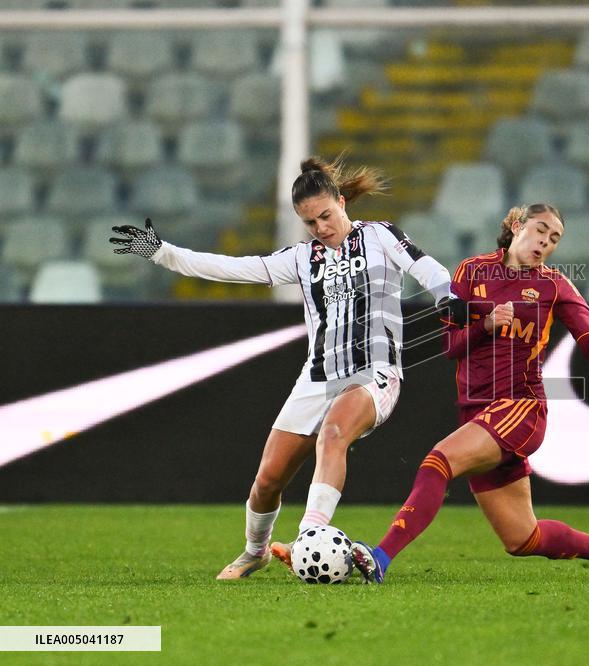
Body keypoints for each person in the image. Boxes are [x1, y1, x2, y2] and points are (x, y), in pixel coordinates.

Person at [110, 156, 457, 579]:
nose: (321, 228)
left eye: (326, 216)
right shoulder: (300, 259)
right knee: (267, 482)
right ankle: (255, 551)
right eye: (310, 222)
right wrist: (162, 252)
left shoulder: (380, 236)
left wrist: (447, 296)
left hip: (375, 373)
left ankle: (310, 537)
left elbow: (424, 267)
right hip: (317, 378)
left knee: (332, 436)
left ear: (342, 202)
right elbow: (231, 268)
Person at [349, 203, 589, 584]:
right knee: (522, 538)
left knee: (437, 463)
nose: (546, 241)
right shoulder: (471, 271)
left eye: (555, 238)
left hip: (520, 406)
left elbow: (586, 326)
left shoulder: (553, 284)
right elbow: (452, 345)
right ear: (515, 226)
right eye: (541, 230)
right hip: (477, 411)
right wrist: (487, 325)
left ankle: (380, 557)